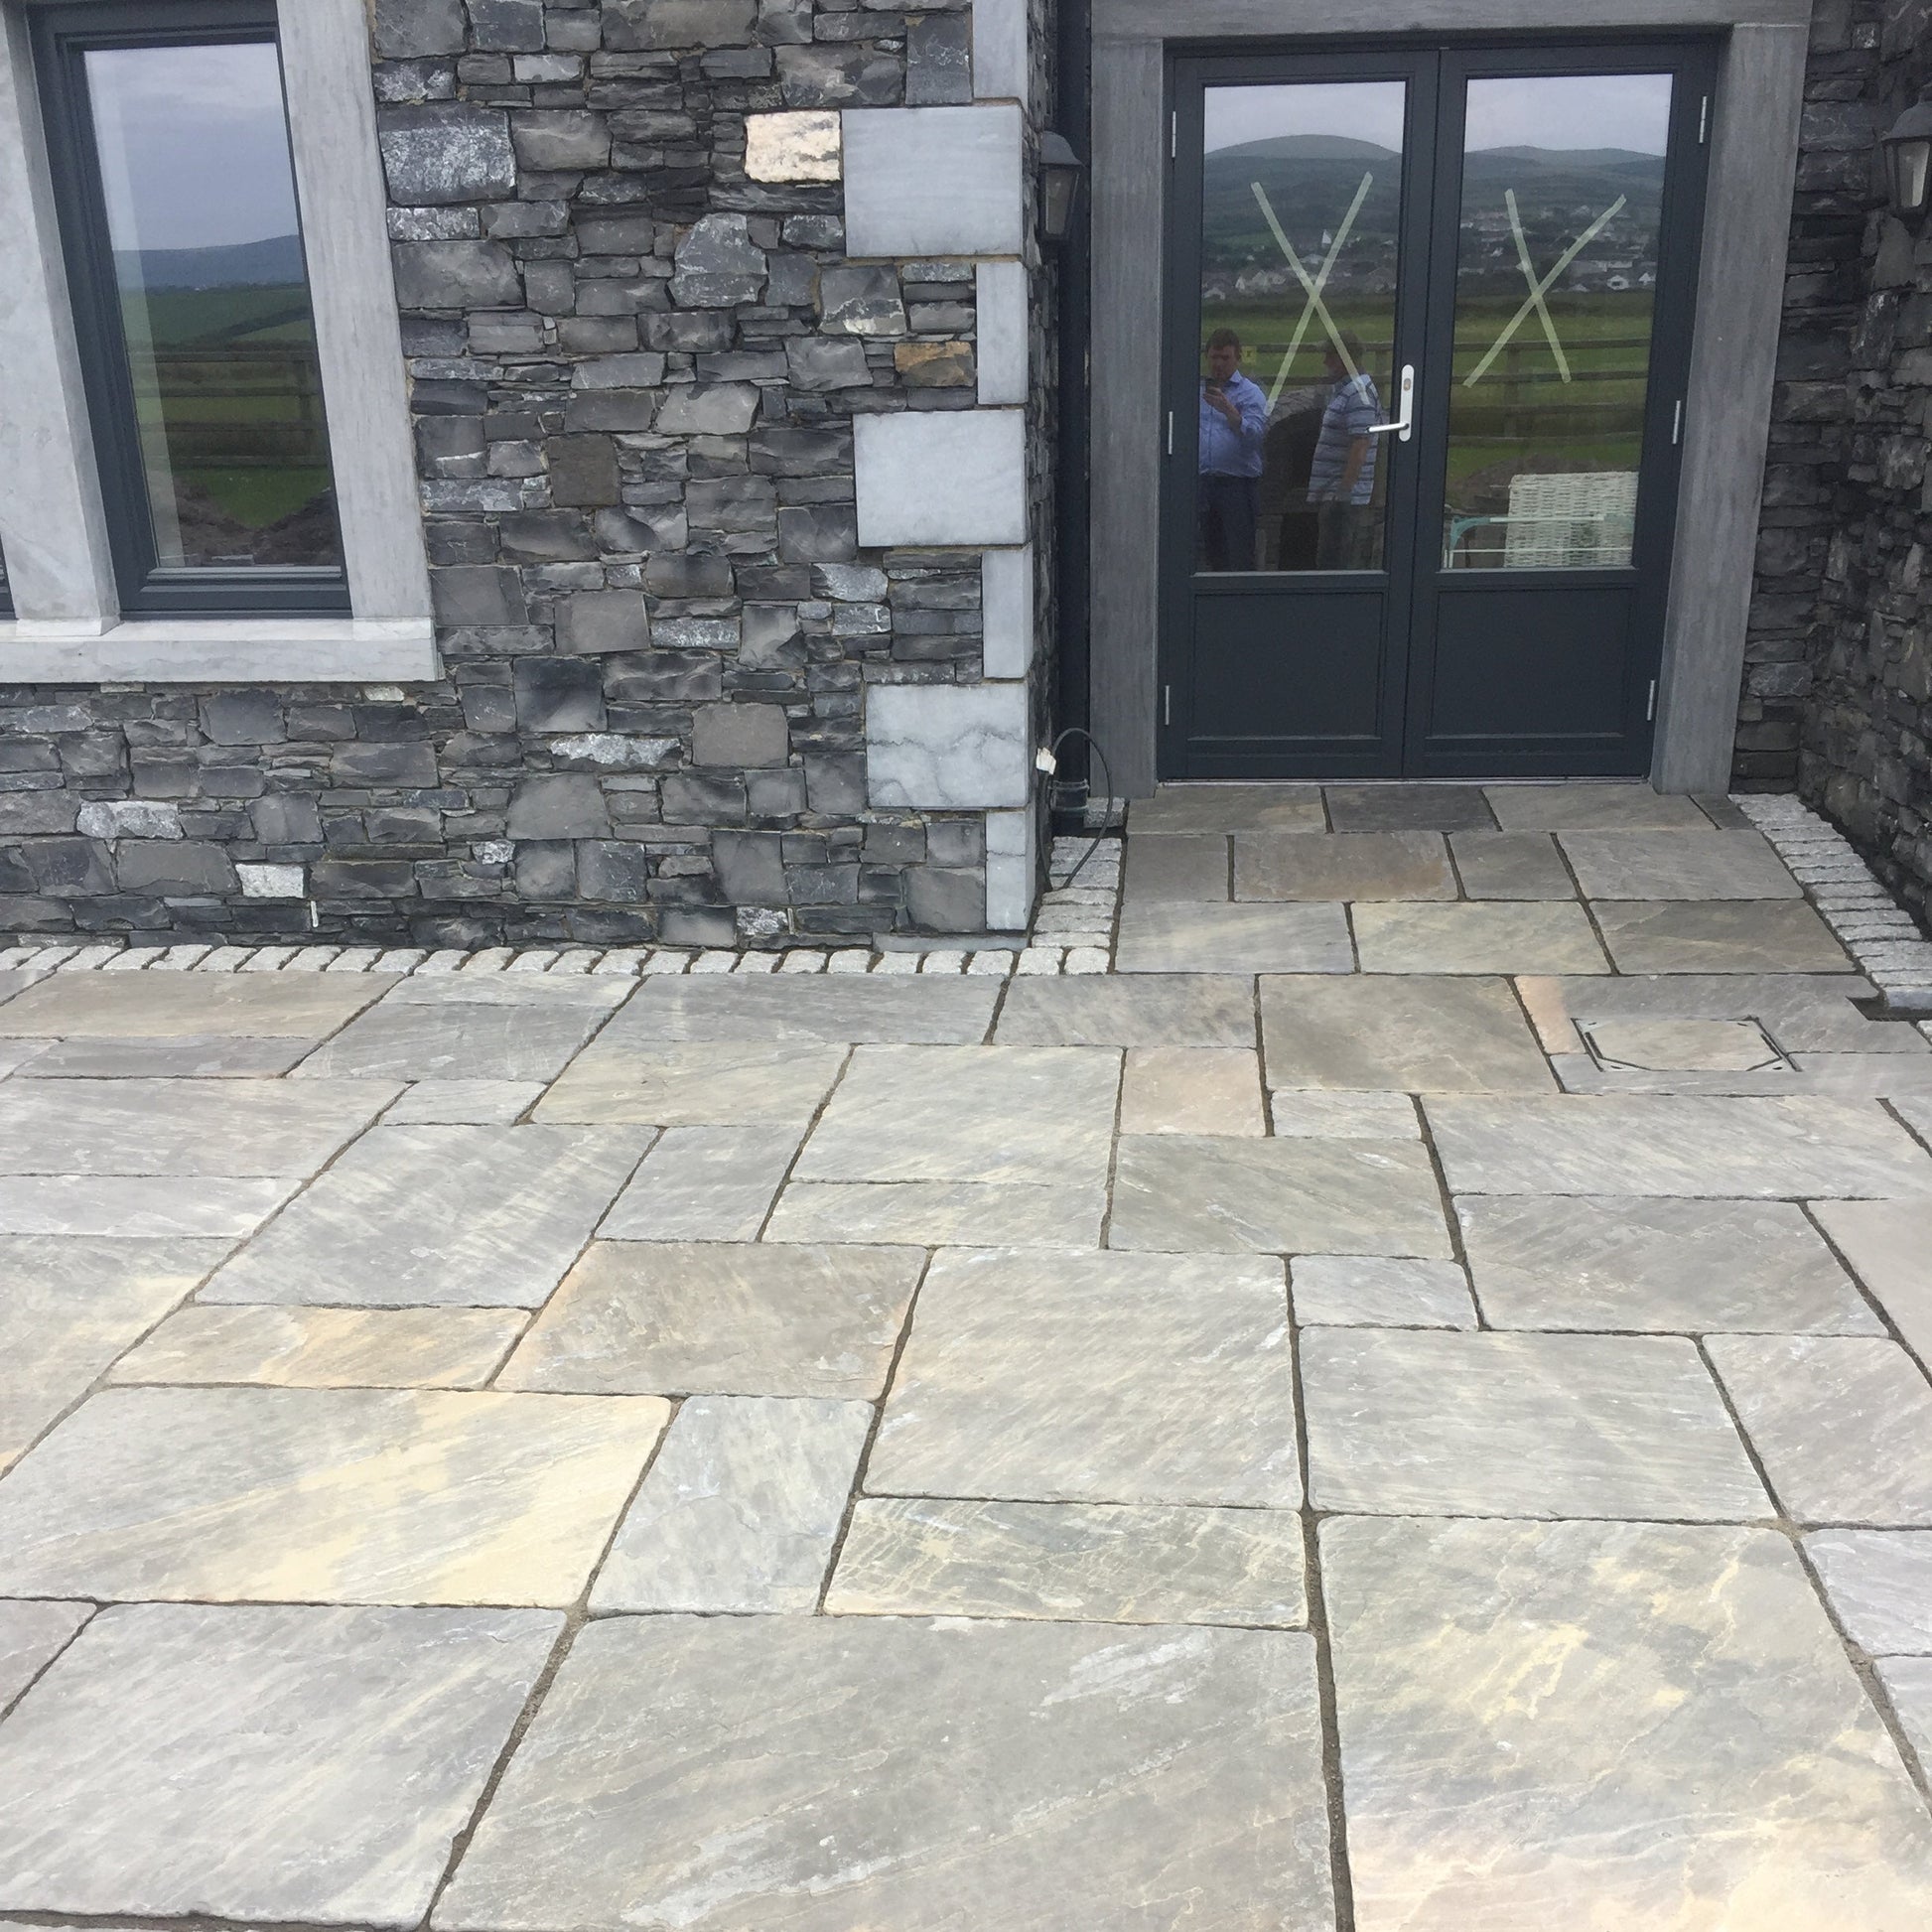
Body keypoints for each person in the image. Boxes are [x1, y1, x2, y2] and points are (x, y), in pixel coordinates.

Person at [1308, 332, 1381, 570]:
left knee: (1337, 564)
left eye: (1330, 355)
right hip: (1332, 496)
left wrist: (1343, 494)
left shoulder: (1359, 395)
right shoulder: (1344, 390)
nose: (1325, 362)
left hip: (1343, 502)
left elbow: (1360, 446)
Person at [1196, 328, 1267, 571]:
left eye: (1225, 358)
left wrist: (1230, 412)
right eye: (1214, 358)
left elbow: (1256, 439)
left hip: (1236, 485)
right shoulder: (1196, 392)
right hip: (1203, 482)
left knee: (1238, 554)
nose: (1218, 364)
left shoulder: (1250, 393)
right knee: (1209, 554)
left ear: (1237, 358)